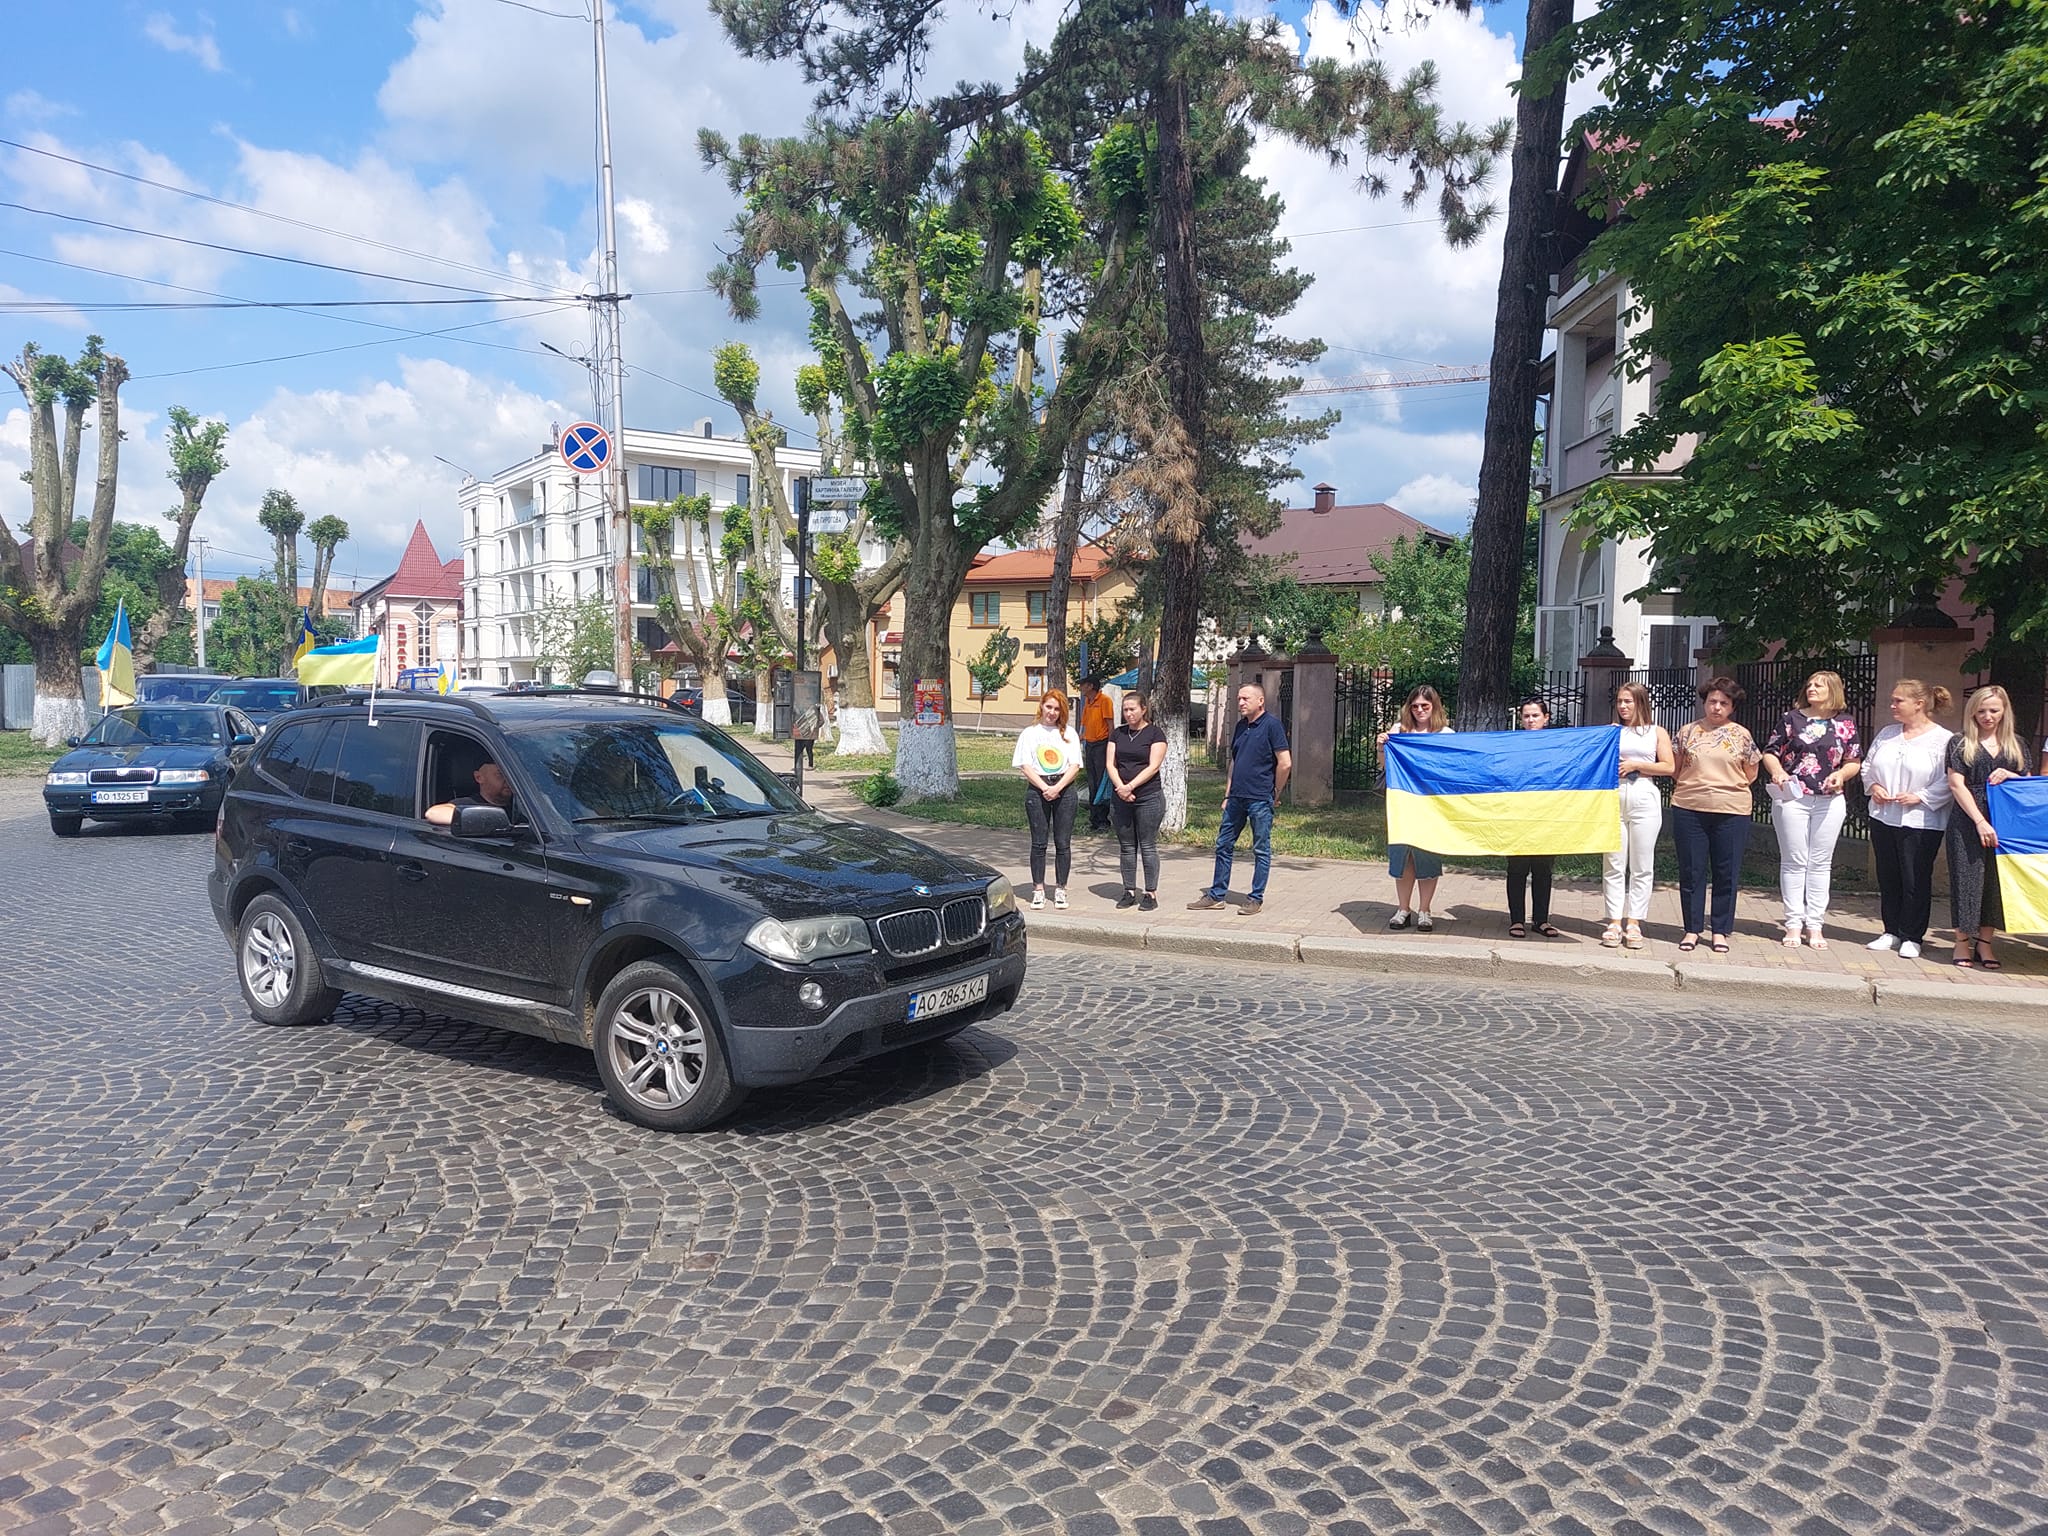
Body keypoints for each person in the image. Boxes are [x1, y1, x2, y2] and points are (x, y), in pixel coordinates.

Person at [1760, 670, 1863, 949]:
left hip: (1830, 799)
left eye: (1819, 685)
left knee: (1820, 863)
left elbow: (1854, 759)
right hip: (1794, 796)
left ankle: (1815, 924)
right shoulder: (1791, 719)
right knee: (1794, 860)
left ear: (1834, 690)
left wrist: (1842, 775)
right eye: (1810, 684)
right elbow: (1769, 751)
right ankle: (1793, 923)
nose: (1812, 688)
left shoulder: (1845, 722)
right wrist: (1778, 771)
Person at [1863, 677, 1956, 959]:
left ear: (1919, 704)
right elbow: (1869, 765)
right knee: (1888, 875)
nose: (1892, 705)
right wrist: (1875, 787)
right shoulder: (1888, 733)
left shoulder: (1943, 739)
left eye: (1898, 700)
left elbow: (1948, 779)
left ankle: (1912, 935)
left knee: (1914, 877)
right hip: (1883, 816)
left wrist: (1921, 797)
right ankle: (1891, 930)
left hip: (1920, 821)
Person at [1671, 675, 1761, 953]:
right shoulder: (1687, 732)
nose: (1717, 707)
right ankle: (1692, 929)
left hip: (1732, 811)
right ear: (1704, 703)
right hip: (1690, 808)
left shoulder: (1741, 735)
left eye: (1723, 703)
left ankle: (1720, 930)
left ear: (1732, 706)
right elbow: (1676, 768)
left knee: (1726, 873)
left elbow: (1751, 772)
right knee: (1692, 871)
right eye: (1712, 701)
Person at [1188, 682, 1291, 916]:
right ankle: (1216, 895)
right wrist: (1227, 793)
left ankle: (1255, 898)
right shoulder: (1240, 726)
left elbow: (1285, 762)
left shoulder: (1272, 726)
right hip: (1236, 798)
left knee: (1261, 849)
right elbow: (1235, 761)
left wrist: (1276, 792)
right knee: (1223, 844)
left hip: (1259, 798)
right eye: (1239, 699)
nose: (1241, 703)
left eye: (1246, 699)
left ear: (1260, 701)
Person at [1946, 685, 2025, 968]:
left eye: (1994, 710)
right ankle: (1962, 943)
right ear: (1972, 712)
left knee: (1995, 882)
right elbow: (1956, 784)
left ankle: (1986, 944)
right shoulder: (1959, 742)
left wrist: (2011, 775)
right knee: (1967, 881)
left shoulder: (2016, 744)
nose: (1987, 716)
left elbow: (2026, 785)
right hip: (1968, 820)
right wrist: (1979, 821)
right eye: (1981, 711)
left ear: (2004, 711)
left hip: (2005, 821)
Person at [1603, 682, 1673, 950]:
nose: (1623, 706)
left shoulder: (1656, 732)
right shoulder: (1612, 732)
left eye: (1628, 702)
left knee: (1642, 864)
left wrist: (1638, 765)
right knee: (1613, 861)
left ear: (1641, 702)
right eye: (1620, 701)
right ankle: (1613, 921)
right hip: (1614, 795)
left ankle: (1634, 921)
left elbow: (1668, 766)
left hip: (1644, 794)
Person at [1378, 684, 1453, 931]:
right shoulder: (1399, 731)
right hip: (1403, 804)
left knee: (1428, 857)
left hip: (1432, 806)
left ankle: (1425, 910)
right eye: (1415, 706)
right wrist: (1382, 746)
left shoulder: (1445, 735)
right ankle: (1403, 908)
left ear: (1434, 707)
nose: (1420, 710)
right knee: (1403, 856)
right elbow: (1386, 766)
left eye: (1425, 706)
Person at [1012, 689, 1083, 910]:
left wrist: (1058, 787)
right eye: (1048, 706)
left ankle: (1060, 888)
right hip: (1038, 790)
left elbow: (1075, 765)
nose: (1052, 712)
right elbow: (1025, 765)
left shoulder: (1069, 733)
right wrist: (1044, 787)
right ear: (1041, 706)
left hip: (1064, 789)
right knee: (1039, 843)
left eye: (1057, 708)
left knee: (1063, 843)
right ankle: (1039, 889)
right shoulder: (1030, 733)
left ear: (1063, 711)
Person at [1503, 696, 1563, 938]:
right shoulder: (1511, 743)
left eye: (1535, 715)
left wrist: (1608, 733)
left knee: (1543, 869)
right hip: (1518, 813)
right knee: (1516, 868)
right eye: (1526, 716)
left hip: (1547, 815)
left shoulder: (1558, 744)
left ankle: (1541, 920)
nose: (1530, 720)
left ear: (1546, 718)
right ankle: (1516, 920)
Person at [1107, 690, 1168, 911]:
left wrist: (1131, 786)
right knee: (1126, 846)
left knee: (1148, 845)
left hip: (1148, 796)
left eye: (1133, 709)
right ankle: (1129, 891)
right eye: (1125, 710)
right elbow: (1110, 764)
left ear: (1143, 709)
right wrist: (1121, 788)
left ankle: (1150, 893)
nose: (1129, 714)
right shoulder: (1118, 733)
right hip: (1121, 796)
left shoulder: (1155, 733)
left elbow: (1154, 765)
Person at [426, 758, 525, 828]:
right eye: (500, 774)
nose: (508, 780)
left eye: (511, 775)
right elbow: (433, 813)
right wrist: (479, 818)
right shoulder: (468, 805)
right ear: (479, 777)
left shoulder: (526, 806)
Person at [1078, 674, 1117, 833]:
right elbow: (1084, 724)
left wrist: (1111, 745)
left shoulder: (1105, 701)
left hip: (1102, 745)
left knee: (1101, 782)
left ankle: (1103, 820)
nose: (1081, 688)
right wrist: (1079, 739)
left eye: (1083, 685)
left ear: (1091, 686)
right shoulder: (1087, 702)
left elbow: (1110, 724)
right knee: (1092, 781)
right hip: (1090, 745)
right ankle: (1094, 819)